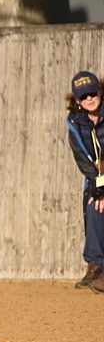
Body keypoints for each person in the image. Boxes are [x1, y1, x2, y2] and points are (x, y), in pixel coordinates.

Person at [66, 70, 104, 292]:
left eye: (92, 93)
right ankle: (96, 266)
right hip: (97, 177)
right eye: (83, 96)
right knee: (93, 205)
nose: (89, 98)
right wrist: (99, 186)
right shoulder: (75, 122)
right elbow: (82, 158)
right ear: (77, 100)